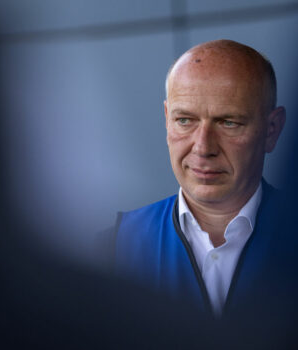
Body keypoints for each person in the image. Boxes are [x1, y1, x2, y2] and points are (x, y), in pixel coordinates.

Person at [114, 39, 286, 317]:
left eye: (229, 122)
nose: (204, 148)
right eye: (185, 120)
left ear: (271, 130)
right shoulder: (113, 248)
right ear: (167, 119)